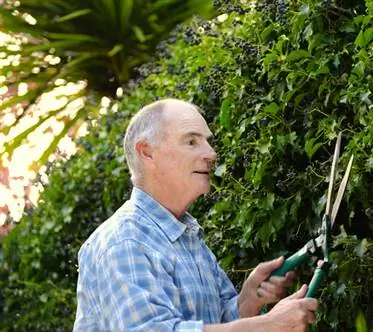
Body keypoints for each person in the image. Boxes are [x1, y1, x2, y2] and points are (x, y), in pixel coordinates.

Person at [74, 99, 318, 331]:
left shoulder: (187, 236)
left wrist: (249, 299)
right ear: (147, 153)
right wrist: (267, 326)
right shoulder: (124, 242)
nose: (210, 154)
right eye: (191, 142)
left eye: (207, 142)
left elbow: (218, 321)